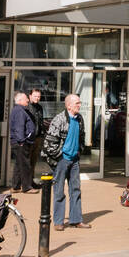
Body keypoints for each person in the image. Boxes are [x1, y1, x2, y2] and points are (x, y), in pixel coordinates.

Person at [45, 94, 91, 230]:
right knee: (59, 191)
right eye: (77, 103)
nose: (79, 105)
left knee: (75, 190)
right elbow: (49, 143)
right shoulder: (59, 119)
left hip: (74, 160)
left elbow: (82, 136)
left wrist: (79, 151)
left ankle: (76, 219)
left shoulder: (79, 119)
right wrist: (60, 157)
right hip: (62, 160)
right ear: (69, 105)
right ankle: (58, 222)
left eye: (79, 102)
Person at [8, 91, 38, 193]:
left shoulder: (19, 110)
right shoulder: (20, 111)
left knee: (18, 164)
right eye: (26, 99)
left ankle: (16, 186)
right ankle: (27, 187)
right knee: (25, 164)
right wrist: (22, 141)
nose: (28, 100)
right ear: (20, 100)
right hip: (21, 142)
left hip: (19, 142)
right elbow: (19, 128)